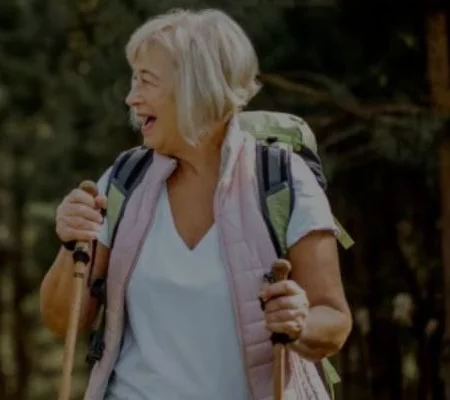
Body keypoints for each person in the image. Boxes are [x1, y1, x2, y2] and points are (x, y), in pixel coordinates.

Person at [39, 8, 352, 400]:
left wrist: (299, 323)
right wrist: (71, 245)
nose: (130, 97)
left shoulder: (282, 180)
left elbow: (334, 320)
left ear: (195, 90)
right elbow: (60, 319)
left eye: (146, 82)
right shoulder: (123, 180)